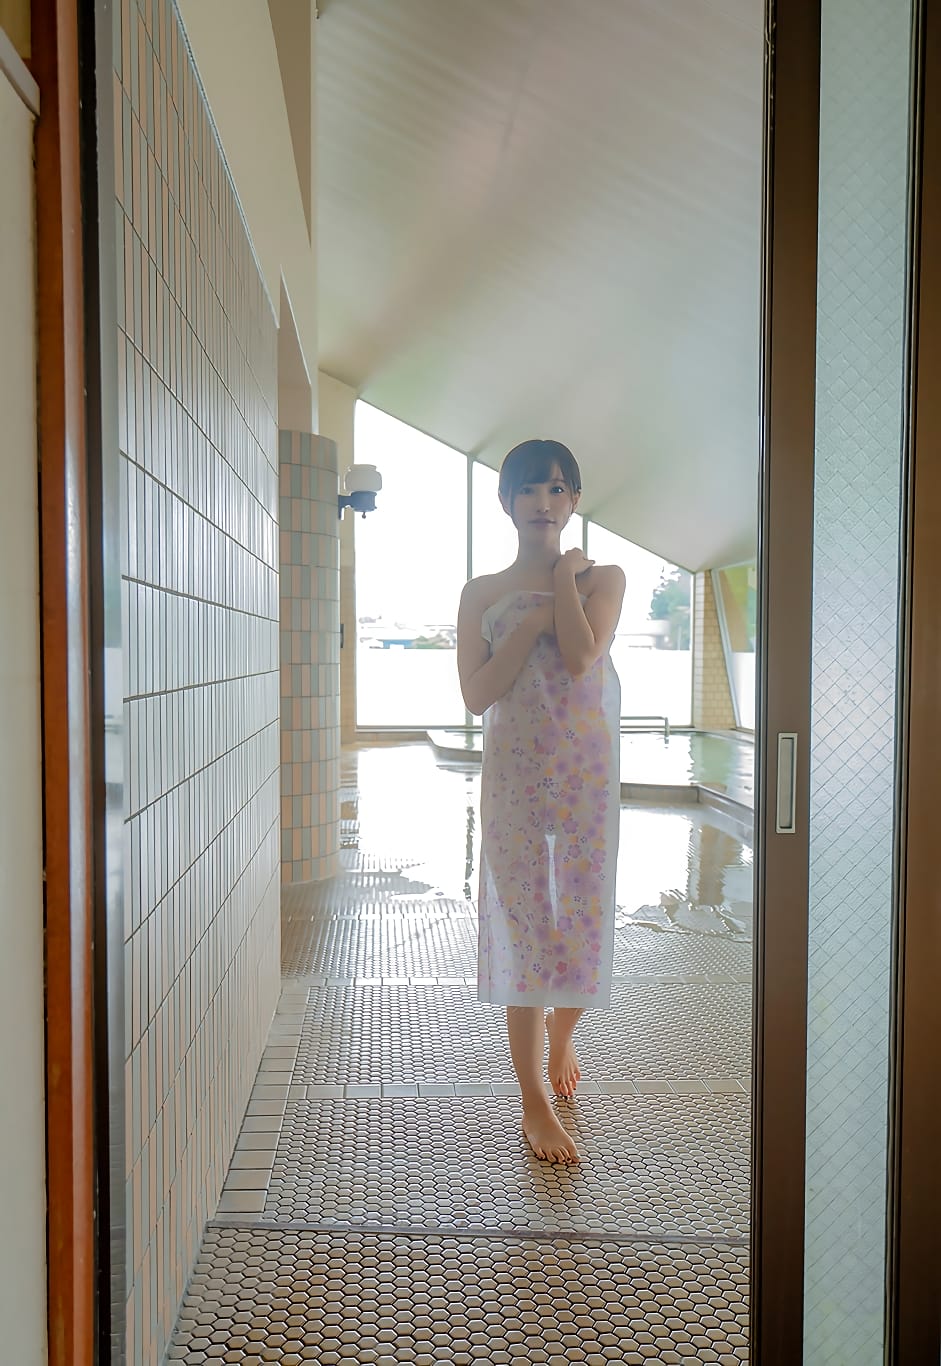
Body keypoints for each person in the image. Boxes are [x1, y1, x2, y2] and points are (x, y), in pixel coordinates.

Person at [457, 439, 624, 1164]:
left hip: (585, 778)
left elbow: (583, 655)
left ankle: (564, 1032)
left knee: (584, 923)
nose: (543, 502)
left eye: (557, 489)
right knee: (524, 933)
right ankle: (532, 1103)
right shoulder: (481, 593)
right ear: (506, 501)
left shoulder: (602, 579)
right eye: (529, 489)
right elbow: (476, 695)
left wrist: (561, 579)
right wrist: (528, 623)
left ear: (574, 500)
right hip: (514, 785)